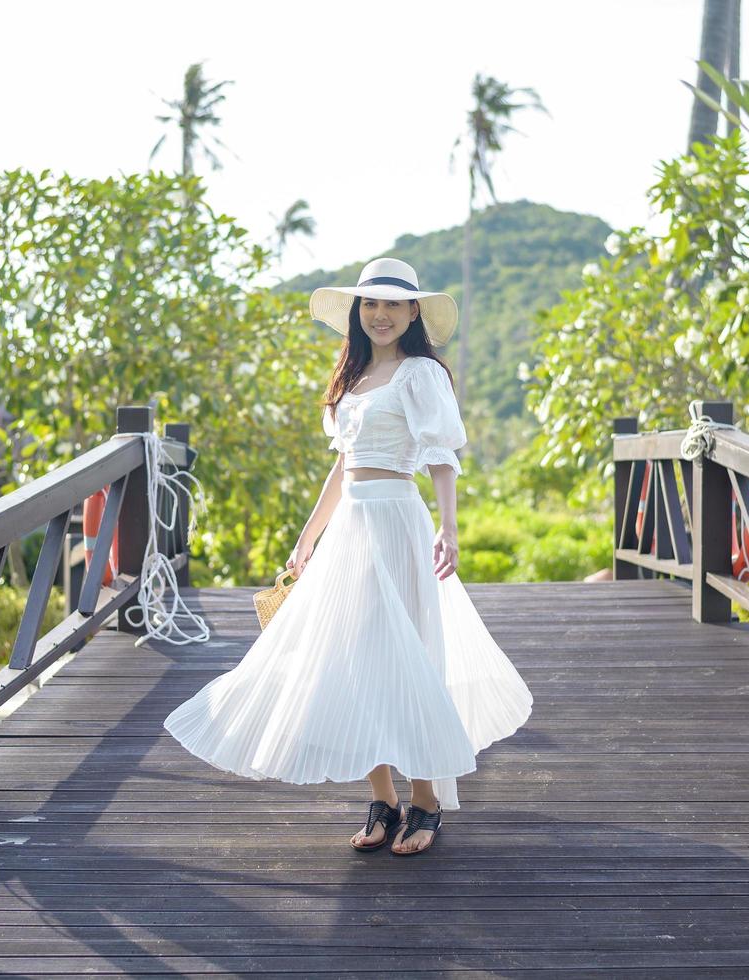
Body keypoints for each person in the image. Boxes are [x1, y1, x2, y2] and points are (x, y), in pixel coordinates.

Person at [163, 257, 532, 856]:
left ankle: (428, 805)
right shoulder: (353, 379)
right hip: (353, 528)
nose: (380, 314)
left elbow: (440, 456)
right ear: (357, 314)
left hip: (398, 524)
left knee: (410, 657)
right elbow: (344, 465)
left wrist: (450, 528)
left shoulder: (420, 375)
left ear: (414, 312)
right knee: (354, 659)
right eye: (370, 304)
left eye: (392, 304)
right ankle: (383, 799)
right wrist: (310, 535)